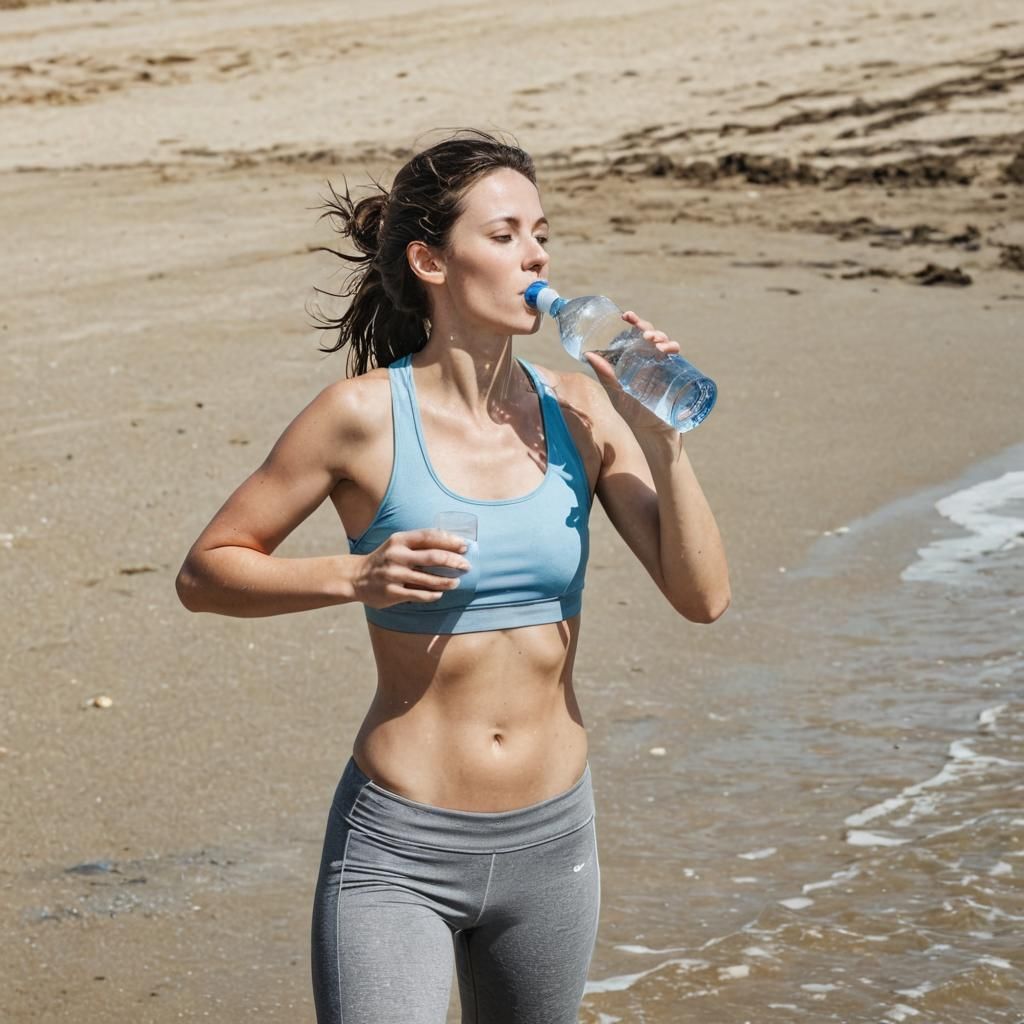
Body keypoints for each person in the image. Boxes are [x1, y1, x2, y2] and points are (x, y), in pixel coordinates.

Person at [175, 129, 730, 1024]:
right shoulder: (360, 416)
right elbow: (206, 573)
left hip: (555, 841)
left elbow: (703, 598)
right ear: (431, 260)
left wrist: (663, 441)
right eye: (504, 235)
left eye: (540, 233)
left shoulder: (583, 409)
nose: (536, 255)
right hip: (401, 847)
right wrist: (355, 575)